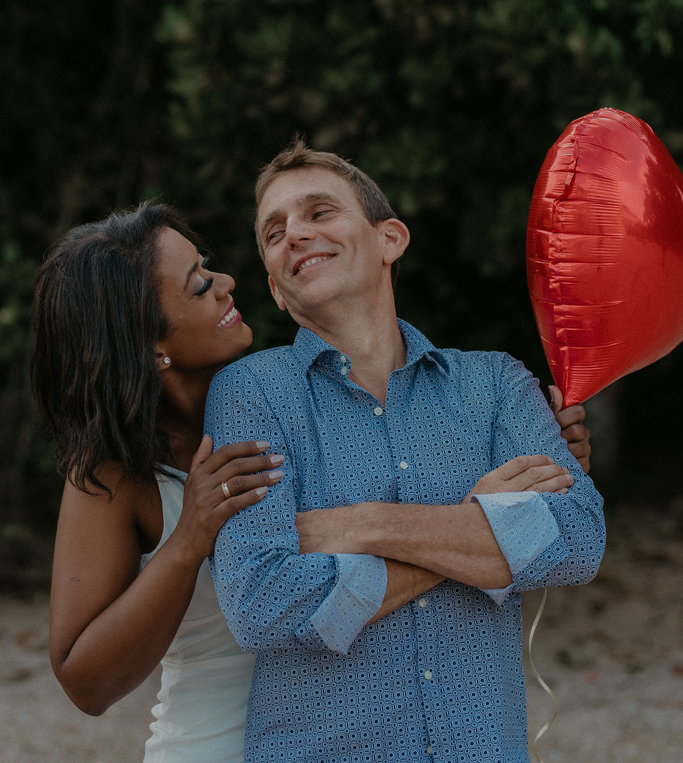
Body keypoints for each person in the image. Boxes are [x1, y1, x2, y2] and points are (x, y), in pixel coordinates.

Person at [30, 202, 592, 763]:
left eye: (209, 264)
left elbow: (429, 505)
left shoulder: (297, 403)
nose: (227, 282)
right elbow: (85, 681)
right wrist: (191, 538)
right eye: (199, 286)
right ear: (153, 349)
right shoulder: (114, 473)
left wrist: (534, 455)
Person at [207, 139, 606, 763]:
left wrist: (357, 526)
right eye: (274, 232)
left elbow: (578, 537)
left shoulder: (497, 383)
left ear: (390, 239)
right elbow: (262, 601)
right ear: (276, 291)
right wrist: (474, 527)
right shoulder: (250, 393)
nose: (295, 235)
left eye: (319, 212)